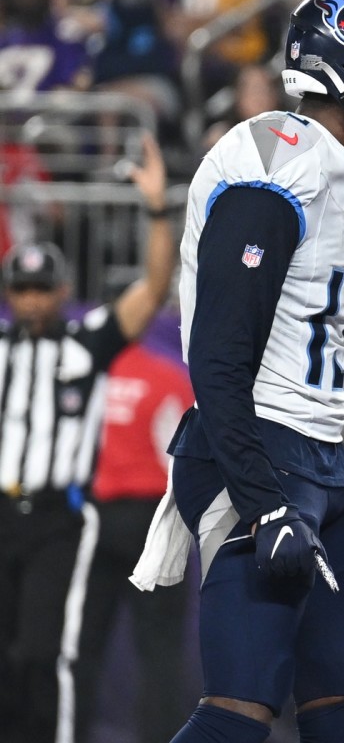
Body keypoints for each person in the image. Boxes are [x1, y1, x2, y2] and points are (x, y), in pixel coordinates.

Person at [132, 0, 344, 743]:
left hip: (318, 450)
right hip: (257, 448)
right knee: (243, 704)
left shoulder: (335, 168)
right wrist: (261, 497)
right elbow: (217, 353)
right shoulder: (277, 164)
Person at [0, 131, 176, 743]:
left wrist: (156, 210)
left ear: (62, 291)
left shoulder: (86, 343)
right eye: (20, 290)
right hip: (2, 510)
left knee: (46, 653)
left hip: (59, 518)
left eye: (40, 289)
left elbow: (152, 292)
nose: (30, 302)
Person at [74, 342, 194, 743]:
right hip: (152, 519)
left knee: (81, 644)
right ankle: (160, 737)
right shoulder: (164, 378)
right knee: (159, 648)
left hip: (92, 519)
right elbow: (184, 456)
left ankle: (68, 732)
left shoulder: (83, 374)